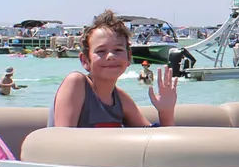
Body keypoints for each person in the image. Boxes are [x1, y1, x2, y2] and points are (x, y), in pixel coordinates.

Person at [52, 9, 180, 128]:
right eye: (101, 51)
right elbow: (62, 138)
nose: (111, 56)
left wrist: (166, 111)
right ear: (85, 60)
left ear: (129, 57)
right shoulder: (76, 83)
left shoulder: (120, 99)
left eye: (118, 50)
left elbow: (151, 138)